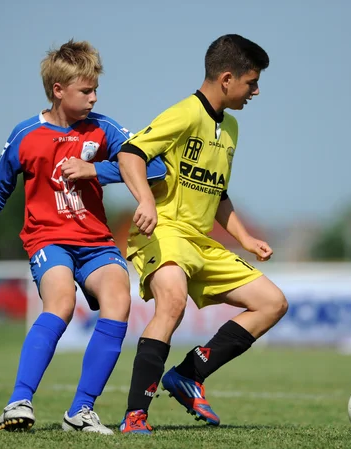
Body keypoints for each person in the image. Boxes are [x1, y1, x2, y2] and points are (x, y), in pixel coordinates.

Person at [0, 39, 166, 434]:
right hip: (47, 239)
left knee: (119, 300)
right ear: (58, 90)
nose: (94, 97)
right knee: (62, 302)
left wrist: (97, 171)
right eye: (86, 90)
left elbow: (154, 168)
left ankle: (81, 411)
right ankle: (19, 401)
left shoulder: (104, 129)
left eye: (95, 90)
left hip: (96, 241)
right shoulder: (25, 134)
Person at [116, 34, 289, 435]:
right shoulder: (184, 114)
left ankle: (189, 375)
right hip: (163, 232)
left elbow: (218, 192)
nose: (256, 91)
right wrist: (144, 200)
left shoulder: (230, 128)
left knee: (272, 303)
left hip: (200, 241)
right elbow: (129, 153)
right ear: (227, 78)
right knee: (172, 302)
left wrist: (244, 238)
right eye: (252, 82)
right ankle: (135, 416)